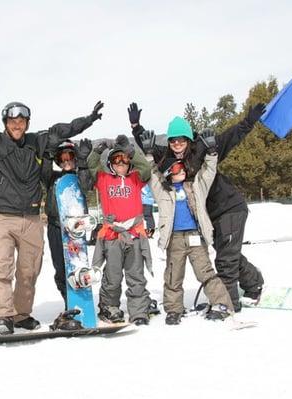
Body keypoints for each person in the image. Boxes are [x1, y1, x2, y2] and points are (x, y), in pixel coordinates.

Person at [0, 67, 103, 335]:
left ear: (26, 123)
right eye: (12, 121)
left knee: (29, 272)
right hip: (3, 217)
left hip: (33, 219)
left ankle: (20, 314)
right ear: (5, 122)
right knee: (1, 269)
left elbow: (62, 131)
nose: (17, 125)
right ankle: (1, 317)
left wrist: (88, 120)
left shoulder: (36, 142)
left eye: (22, 122)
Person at [129, 101, 266, 312]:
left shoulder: (204, 147)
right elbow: (148, 147)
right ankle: (253, 281)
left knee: (225, 259)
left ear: (188, 139)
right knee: (226, 250)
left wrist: (249, 121)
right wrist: (136, 127)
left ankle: (228, 304)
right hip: (206, 215)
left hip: (228, 206)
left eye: (181, 139)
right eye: (173, 140)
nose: (177, 144)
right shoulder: (167, 156)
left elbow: (232, 136)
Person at [145, 129, 234, 325]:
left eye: (182, 168)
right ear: (169, 174)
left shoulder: (195, 187)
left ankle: (221, 304)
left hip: (195, 236)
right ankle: (174, 309)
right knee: (173, 276)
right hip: (175, 239)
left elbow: (208, 173)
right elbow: (152, 175)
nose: (182, 170)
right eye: (176, 170)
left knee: (206, 273)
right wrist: (149, 155)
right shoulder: (163, 192)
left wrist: (211, 152)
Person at [81, 135, 153, 326]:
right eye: (116, 160)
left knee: (135, 275)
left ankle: (138, 311)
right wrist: (97, 150)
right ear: (110, 163)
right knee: (113, 276)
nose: (121, 163)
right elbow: (92, 165)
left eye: (125, 159)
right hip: (112, 236)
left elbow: (146, 168)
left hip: (134, 235)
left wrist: (131, 150)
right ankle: (109, 306)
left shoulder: (136, 179)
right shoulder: (104, 180)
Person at [41, 138, 93, 308]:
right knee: (61, 268)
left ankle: (81, 298)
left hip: (75, 229)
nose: (66, 161)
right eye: (62, 158)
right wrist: (48, 154)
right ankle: (68, 300)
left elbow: (87, 187)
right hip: (56, 226)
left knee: (77, 264)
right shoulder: (53, 178)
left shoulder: (80, 176)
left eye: (70, 156)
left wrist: (83, 162)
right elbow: (45, 173)